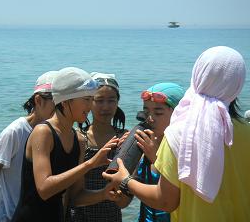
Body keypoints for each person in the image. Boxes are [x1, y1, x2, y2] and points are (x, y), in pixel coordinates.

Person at [103, 46, 250, 222]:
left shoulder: (180, 133)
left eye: (158, 113)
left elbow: (166, 201)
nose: (149, 118)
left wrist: (125, 180)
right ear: (238, 84)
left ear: (197, 76)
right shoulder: (245, 130)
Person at [12, 67, 120, 222]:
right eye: (86, 99)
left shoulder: (79, 140)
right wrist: (91, 164)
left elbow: (75, 197)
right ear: (66, 100)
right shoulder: (43, 132)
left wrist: (104, 193)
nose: (90, 107)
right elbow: (44, 188)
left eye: (91, 99)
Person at [0, 71, 58, 222]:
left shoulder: (57, 133)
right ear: (38, 100)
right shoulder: (16, 131)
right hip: (7, 216)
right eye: (57, 104)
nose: (61, 110)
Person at [120, 82, 184, 222]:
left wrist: (156, 158)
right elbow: (122, 201)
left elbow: (178, 197)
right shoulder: (145, 145)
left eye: (158, 112)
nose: (150, 118)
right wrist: (124, 155)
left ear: (179, 114)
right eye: (146, 111)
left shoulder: (185, 149)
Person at [67, 72, 127, 222]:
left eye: (111, 100)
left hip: (112, 217)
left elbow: (125, 197)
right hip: (79, 217)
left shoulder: (125, 138)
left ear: (117, 103)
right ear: (88, 103)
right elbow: (73, 196)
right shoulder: (78, 138)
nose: (105, 107)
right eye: (99, 100)